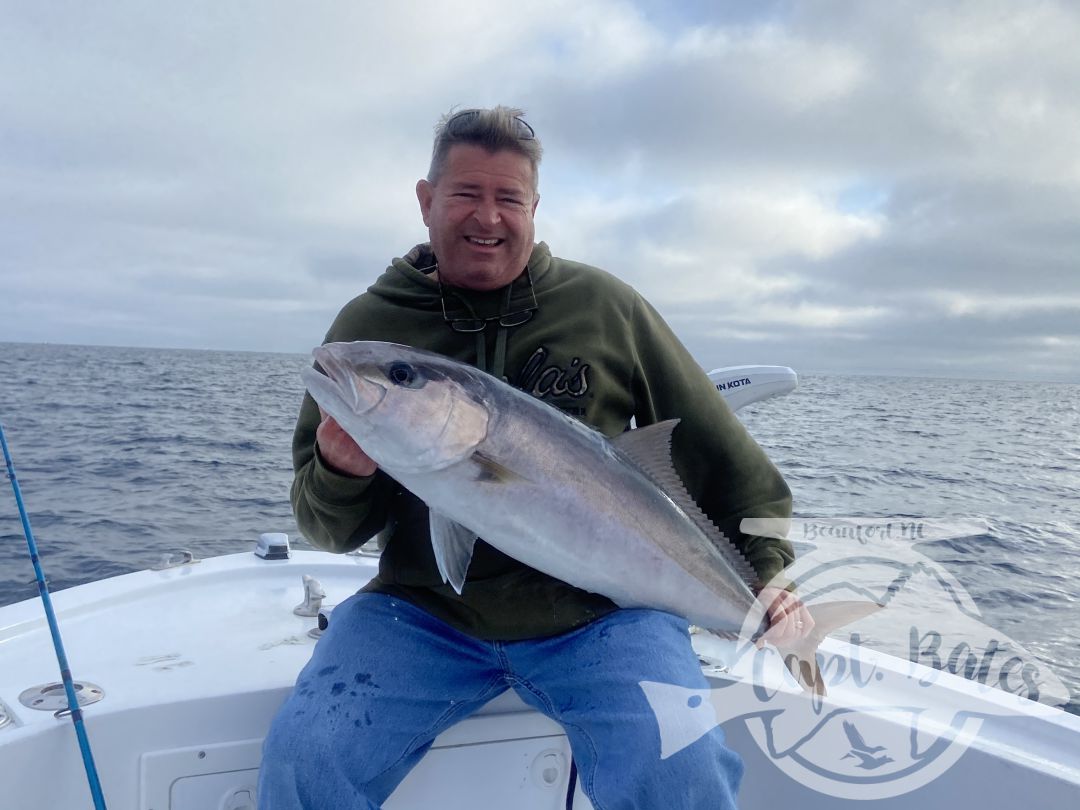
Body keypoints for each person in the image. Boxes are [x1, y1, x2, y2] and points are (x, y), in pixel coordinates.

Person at [258, 106, 811, 809]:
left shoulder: (606, 307)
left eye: (508, 198)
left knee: (682, 773)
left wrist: (765, 579)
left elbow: (728, 461)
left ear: (535, 208)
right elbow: (328, 532)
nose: (486, 217)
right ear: (427, 201)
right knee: (308, 759)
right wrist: (342, 473)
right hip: (422, 614)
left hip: (603, 617)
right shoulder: (370, 330)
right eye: (465, 194)